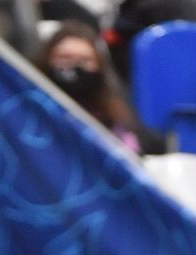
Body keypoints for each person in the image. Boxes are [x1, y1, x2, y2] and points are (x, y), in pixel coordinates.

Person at [35, 21, 164, 155]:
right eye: (64, 57)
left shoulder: (116, 114)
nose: (74, 66)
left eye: (85, 60)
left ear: (99, 66)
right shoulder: (31, 108)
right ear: (48, 60)